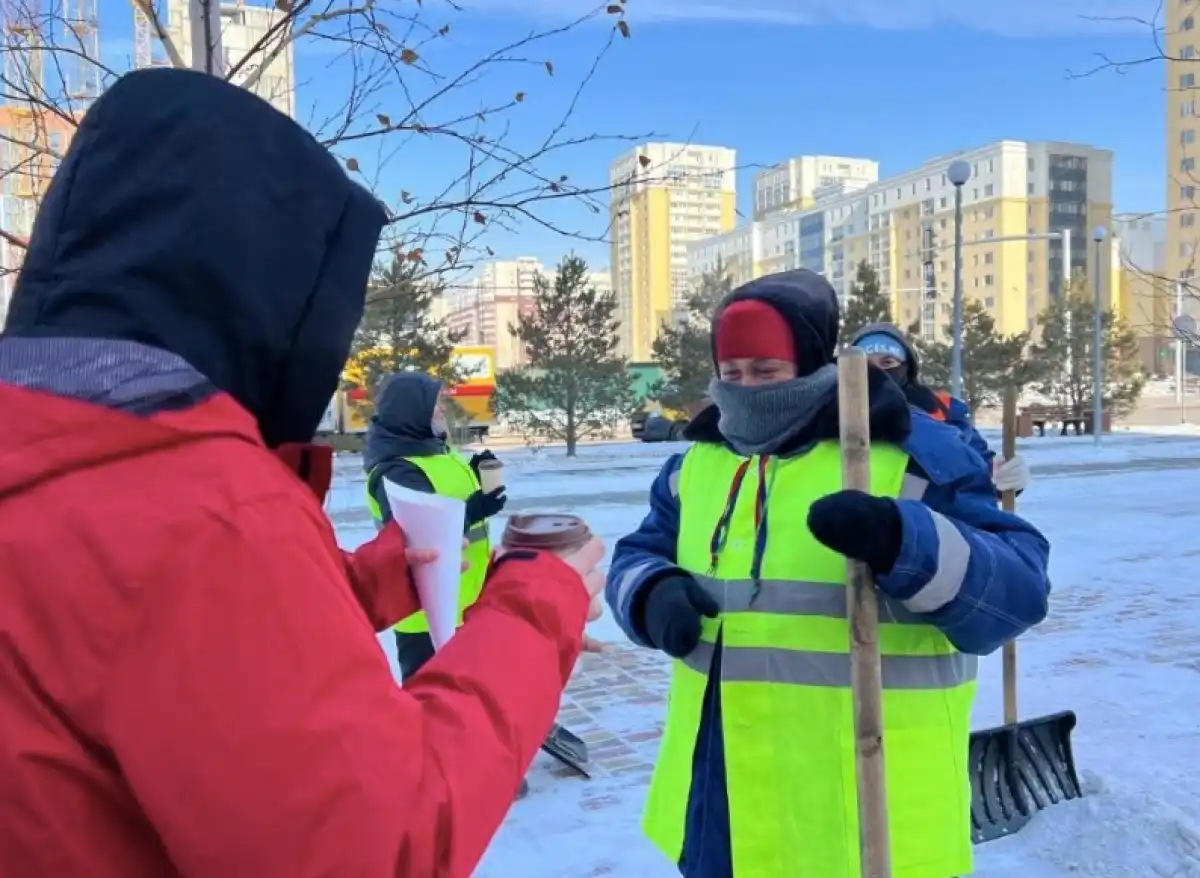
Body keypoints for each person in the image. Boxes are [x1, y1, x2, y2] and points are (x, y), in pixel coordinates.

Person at [0, 68, 605, 877]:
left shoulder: (58, 457)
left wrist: (355, 586)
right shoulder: (205, 510)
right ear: (266, 289)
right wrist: (538, 605)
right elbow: (378, 845)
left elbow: (162, 661)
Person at [605, 269, 1051, 878]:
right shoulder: (699, 463)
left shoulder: (912, 457)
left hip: (863, 807)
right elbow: (636, 554)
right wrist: (650, 593)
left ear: (813, 363)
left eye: (766, 372)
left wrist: (905, 542)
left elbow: (1019, 593)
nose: (746, 390)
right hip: (722, 797)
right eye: (731, 374)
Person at [363, 371, 507, 680]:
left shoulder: (434, 450)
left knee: (469, 699)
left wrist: (475, 473)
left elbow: (445, 496)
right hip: (427, 617)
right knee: (432, 709)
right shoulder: (396, 469)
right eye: (434, 405)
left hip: (464, 601)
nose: (441, 410)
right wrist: (476, 506)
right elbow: (418, 537)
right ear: (412, 412)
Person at [851, 322, 1031, 494]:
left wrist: (1004, 474)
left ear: (906, 368)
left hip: (929, 521)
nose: (878, 373)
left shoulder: (941, 411)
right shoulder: (831, 415)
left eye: (888, 362)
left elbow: (976, 468)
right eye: (866, 365)